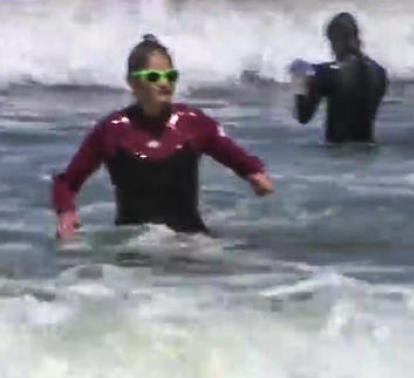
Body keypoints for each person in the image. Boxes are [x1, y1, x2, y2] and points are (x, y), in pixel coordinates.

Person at [51, 35, 274, 238]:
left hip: (191, 240)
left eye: (171, 76)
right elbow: (67, 183)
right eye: (154, 76)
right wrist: (66, 213)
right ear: (133, 82)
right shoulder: (112, 130)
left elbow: (234, 155)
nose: (165, 83)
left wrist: (253, 173)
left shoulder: (193, 123)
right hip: (134, 244)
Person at [292, 12, 388, 143]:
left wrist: (300, 82)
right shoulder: (380, 73)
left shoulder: (330, 74)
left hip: (338, 151)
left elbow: (303, 116)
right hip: (368, 151)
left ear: (336, 40)